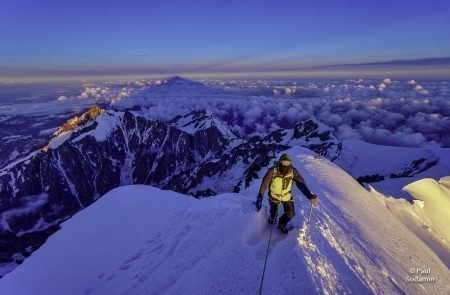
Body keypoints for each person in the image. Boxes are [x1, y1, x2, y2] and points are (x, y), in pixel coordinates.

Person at [255, 153, 318, 233]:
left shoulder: (293, 172)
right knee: (273, 213)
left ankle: (282, 223)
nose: (285, 165)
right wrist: (260, 196)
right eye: (283, 162)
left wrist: (309, 195)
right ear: (280, 162)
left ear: (290, 163)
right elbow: (265, 183)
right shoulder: (273, 171)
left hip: (286, 196)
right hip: (274, 196)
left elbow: (300, 183)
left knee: (290, 213)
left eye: (287, 163)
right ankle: (272, 219)